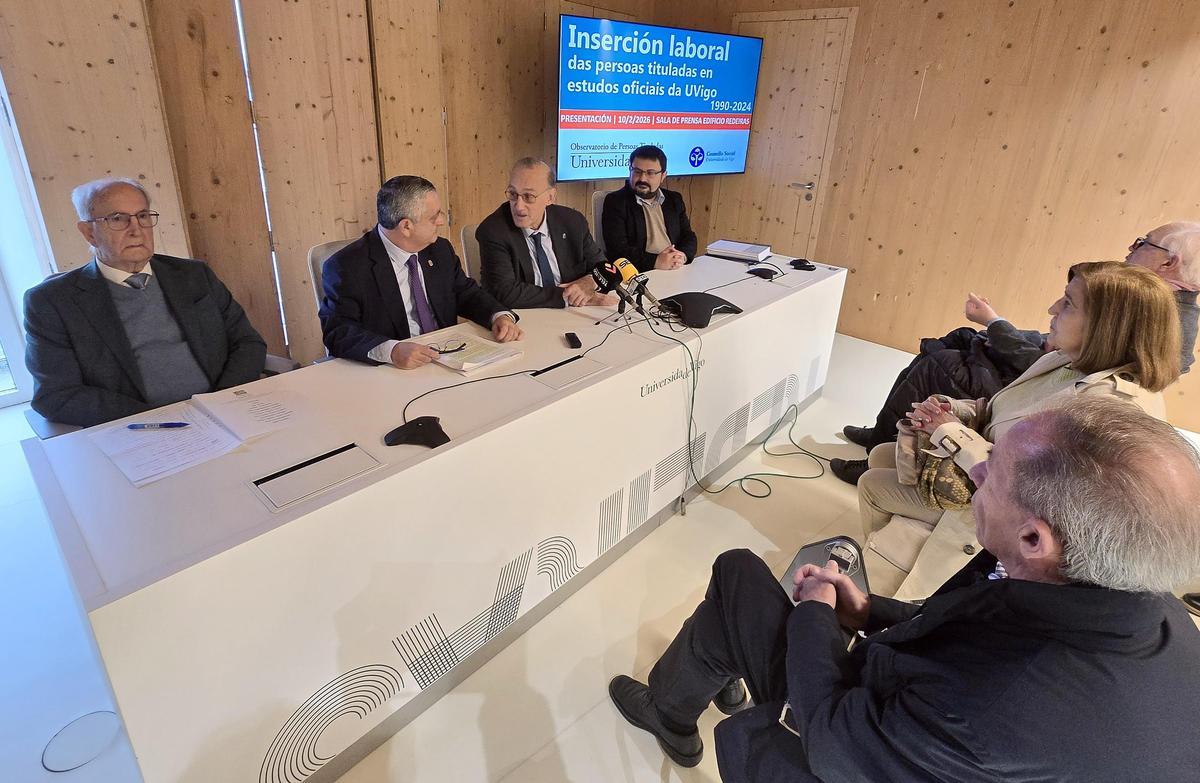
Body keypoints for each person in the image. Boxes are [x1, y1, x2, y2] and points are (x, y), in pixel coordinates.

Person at [609, 397, 1200, 781]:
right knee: (743, 601)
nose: (976, 472)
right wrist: (869, 611)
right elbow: (973, 622)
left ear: (1034, 537)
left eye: (994, 472)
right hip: (909, 725)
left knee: (738, 571)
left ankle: (671, 713)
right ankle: (713, 674)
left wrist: (815, 614)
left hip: (844, 745)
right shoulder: (1158, 616)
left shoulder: (995, 707)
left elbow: (830, 736)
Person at [851, 261, 1181, 540]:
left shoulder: (1104, 408)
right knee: (881, 454)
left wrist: (950, 431)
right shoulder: (1068, 361)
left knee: (872, 485)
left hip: (1007, 511)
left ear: (1107, 326)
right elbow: (1007, 412)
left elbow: (1025, 487)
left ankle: (878, 572)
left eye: (1068, 303)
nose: (1052, 309)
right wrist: (956, 410)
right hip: (983, 474)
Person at [837, 222, 1200, 464]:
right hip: (1042, 369)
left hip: (1035, 386)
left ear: (1169, 262)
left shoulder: (1155, 312)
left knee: (938, 362)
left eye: (1142, 243)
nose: (1131, 248)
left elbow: (1063, 366)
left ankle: (884, 448)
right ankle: (884, 436)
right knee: (955, 342)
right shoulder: (1145, 299)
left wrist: (996, 324)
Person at [24, 177, 266, 427]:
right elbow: (56, 395)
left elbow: (248, 342)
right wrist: (157, 419)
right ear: (89, 233)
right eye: (118, 219)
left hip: (224, 414)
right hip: (142, 429)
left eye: (142, 216)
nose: (136, 229)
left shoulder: (194, 275)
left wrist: (221, 402)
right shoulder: (52, 302)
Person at [320, 175, 522, 367]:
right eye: (434, 217)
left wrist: (498, 316)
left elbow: (466, 293)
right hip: (391, 370)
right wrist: (392, 351)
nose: (441, 221)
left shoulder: (439, 249)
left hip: (448, 358)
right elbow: (338, 332)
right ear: (406, 226)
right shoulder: (346, 267)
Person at [476, 158, 615, 309]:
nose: (519, 206)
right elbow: (504, 292)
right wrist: (567, 296)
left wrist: (589, 283)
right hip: (527, 316)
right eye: (513, 194)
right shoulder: (493, 231)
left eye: (528, 196)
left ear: (550, 197)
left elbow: (604, 268)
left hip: (576, 313)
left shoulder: (573, 222)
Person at [601, 145, 698, 272]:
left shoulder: (674, 199)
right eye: (637, 171)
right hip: (641, 271)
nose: (642, 178)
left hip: (676, 267)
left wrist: (681, 256)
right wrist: (656, 261)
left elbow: (688, 236)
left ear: (663, 176)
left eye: (650, 173)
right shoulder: (616, 202)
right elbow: (618, 250)